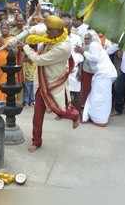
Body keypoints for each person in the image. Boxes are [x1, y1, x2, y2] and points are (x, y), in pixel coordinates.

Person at [20, 15, 80, 152]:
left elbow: (39, 60)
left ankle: (75, 115)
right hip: (43, 83)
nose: (46, 32)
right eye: (47, 29)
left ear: (58, 31)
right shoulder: (52, 35)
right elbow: (38, 29)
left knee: (58, 110)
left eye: (49, 30)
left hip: (53, 84)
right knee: (37, 114)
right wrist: (27, 31)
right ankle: (37, 141)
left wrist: (25, 47)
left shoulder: (63, 47)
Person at [79, 31, 117, 126]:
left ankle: (100, 120)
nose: (86, 40)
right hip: (103, 74)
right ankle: (95, 117)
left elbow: (95, 58)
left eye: (88, 38)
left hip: (104, 74)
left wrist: (83, 52)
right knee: (99, 96)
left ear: (92, 39)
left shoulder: (94, 45)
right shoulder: (95, 45)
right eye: (85, 38)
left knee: (100, 97)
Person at [0, 21, 15, 101]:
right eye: (3, 28)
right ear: (0, 29)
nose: (4, 30)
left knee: (6, 80)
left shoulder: (12, 38)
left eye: (6, 28)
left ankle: (5, 98)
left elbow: (13, 51)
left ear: (9, 29)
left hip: (8, 64)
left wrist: (3, 43)